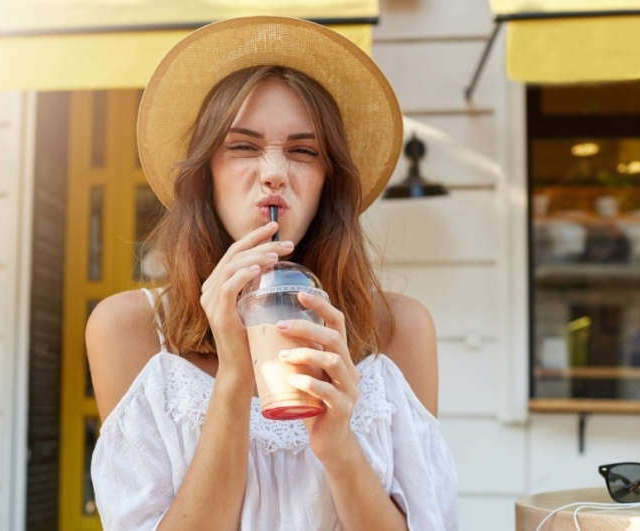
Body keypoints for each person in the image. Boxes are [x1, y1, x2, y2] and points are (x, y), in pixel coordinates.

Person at [87, 16, 458, 531]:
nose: (275, 173)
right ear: (205, 174)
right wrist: (235, 379)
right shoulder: (130, 329)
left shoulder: (397, 328)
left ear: (328, 182)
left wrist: (340, 449)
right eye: (243, 146)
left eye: (304, 152)